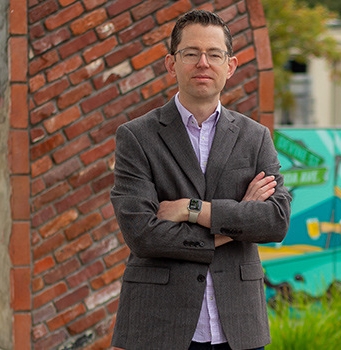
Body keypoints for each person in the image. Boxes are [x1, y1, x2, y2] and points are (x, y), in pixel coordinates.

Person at [109, 9, 292, 350]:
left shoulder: (256, 138)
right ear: (171, 63)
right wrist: (236, 222)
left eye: (214, 54)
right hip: (158, 325)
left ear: (230, 66)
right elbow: (143, 235)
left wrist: (191, 209)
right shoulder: (136, 137)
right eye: (191, 54)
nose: (203, 63)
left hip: (239, 327)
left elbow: (274, 222)